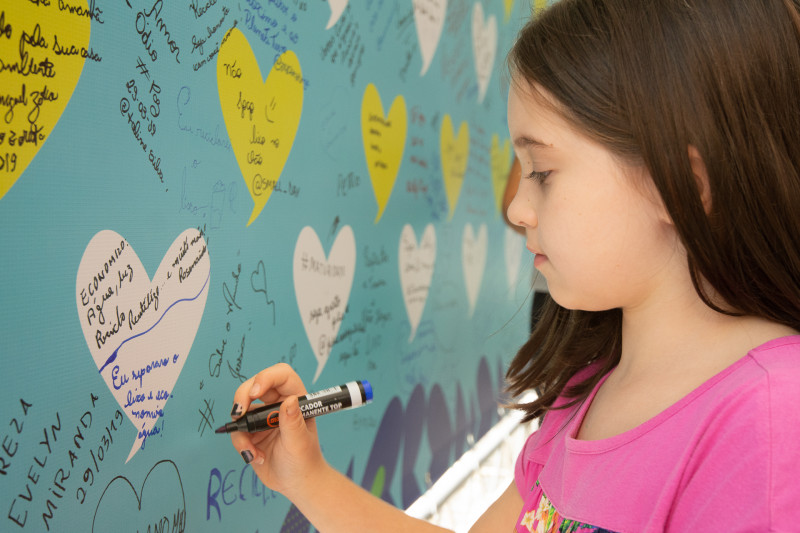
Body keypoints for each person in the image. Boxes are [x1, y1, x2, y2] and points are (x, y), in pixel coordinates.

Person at [227, 1, 800, 531]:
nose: (516, 209)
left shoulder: (771, 424)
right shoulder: (585, 391)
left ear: (682, 186)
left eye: (542, 172)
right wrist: (307, 478)